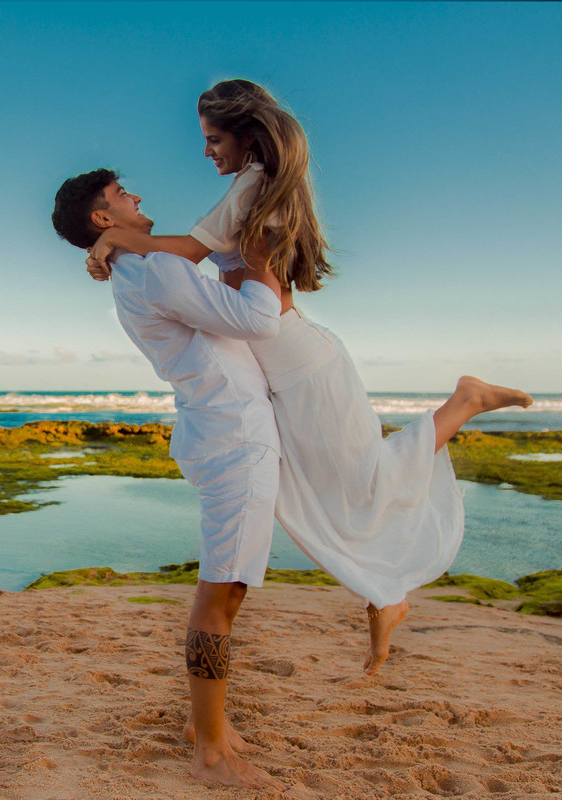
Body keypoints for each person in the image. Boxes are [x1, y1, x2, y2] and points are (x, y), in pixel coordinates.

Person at [83, 79, 533, 678]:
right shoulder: (257, 184)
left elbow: (190, 252)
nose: (207, 151)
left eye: (213, 139)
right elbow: (193, 258)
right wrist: (118, 240)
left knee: (362, 480)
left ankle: (465, 401)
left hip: (303, 363)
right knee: (323, 493)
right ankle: (384, 594)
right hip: (285, 370)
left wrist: (115, 236)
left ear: (246, 134)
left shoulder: (253, 182)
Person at [53, 169, 287, 790]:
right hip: (233, 435)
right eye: (124, 194)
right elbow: (260, 320)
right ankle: (209, 749)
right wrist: (261, 256)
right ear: (104, 218)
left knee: (228, 591)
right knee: (220, 596)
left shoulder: (141, 265)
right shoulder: (154, 269)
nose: (138, 198)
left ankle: (204, 726)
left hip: (223, 427)